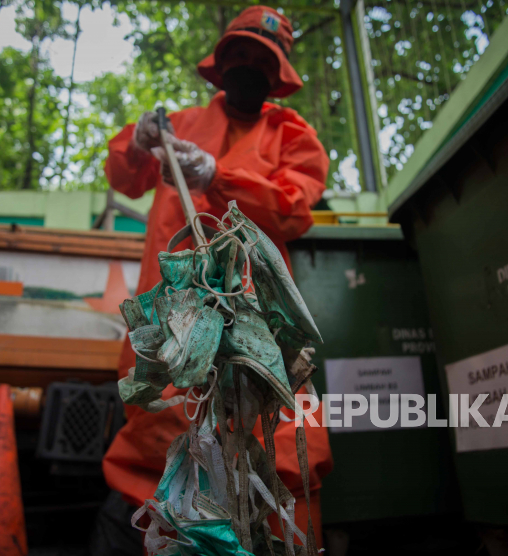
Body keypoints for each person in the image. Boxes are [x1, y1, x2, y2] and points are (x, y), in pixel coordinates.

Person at [102, 5, 333, 549]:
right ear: (220, 62)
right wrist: (138, 141)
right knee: (159, 437)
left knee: (282, 440)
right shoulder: (179, 123)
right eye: (239, 55)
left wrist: (219, 175)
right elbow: (125, 176)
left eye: (261, 59)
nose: (248, 66)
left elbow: (294, 206)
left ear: (276, 74)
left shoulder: (291, 134)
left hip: (257, 322)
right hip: (172, 315)